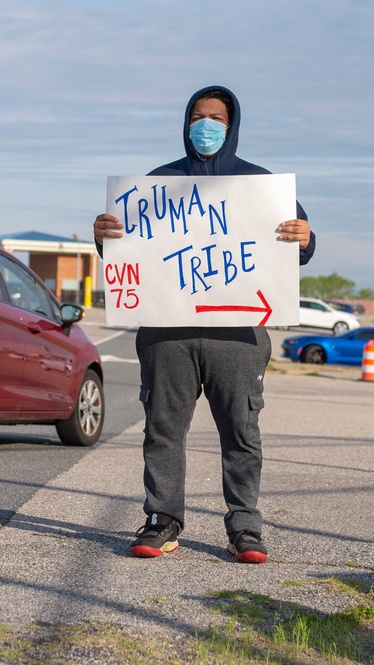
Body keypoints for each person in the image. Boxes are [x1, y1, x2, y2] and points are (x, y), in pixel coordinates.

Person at [93, 85, 315, 563]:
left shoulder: (263, 187)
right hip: (166, 335)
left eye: (216, 117)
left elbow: (296, 252)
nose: (206, 124)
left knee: (240, 432)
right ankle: (163, 520)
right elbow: (128, 257)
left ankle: (245, 527)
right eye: (197, 115)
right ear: (186, 121)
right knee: (163, 429)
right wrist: (105, 237)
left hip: (238, 336)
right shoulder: (155, 186)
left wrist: (305, 237)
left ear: (232, 126)